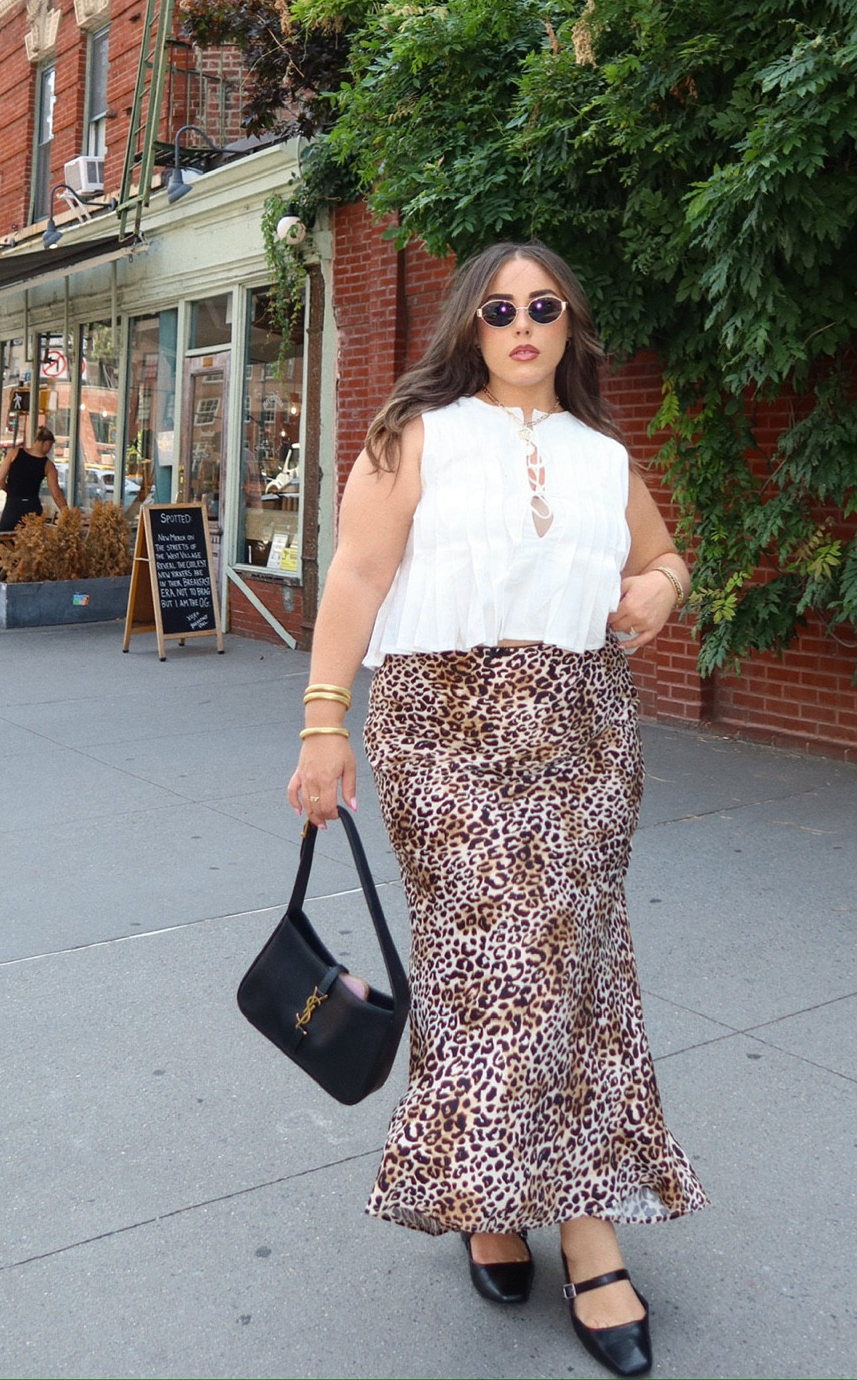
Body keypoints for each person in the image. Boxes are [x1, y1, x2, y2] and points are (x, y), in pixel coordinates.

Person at [289, 240, 706, 1378]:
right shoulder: (413, 434)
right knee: (498, 966)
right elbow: (356, 577)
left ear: (572, 325)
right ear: (469, 324)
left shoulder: (603, 456)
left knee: (577, 967)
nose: (523, 324)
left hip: (584, 727)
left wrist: (658, 589)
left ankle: (502, 1199)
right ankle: (583, 1232)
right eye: (499, 308)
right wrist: (323, 719)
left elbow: (669, 555)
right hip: (443, 725)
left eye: (545, 306)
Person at [0, 427, 66, 530]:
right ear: (46, 443)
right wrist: (66, 512)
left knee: (5, 537)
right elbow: (56, 494)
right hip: (32, 507)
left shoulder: (14, 453)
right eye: (50, 445)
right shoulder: (48, 465)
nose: (50, 449)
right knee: (33, 538)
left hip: (13, 505)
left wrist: (10, 491)